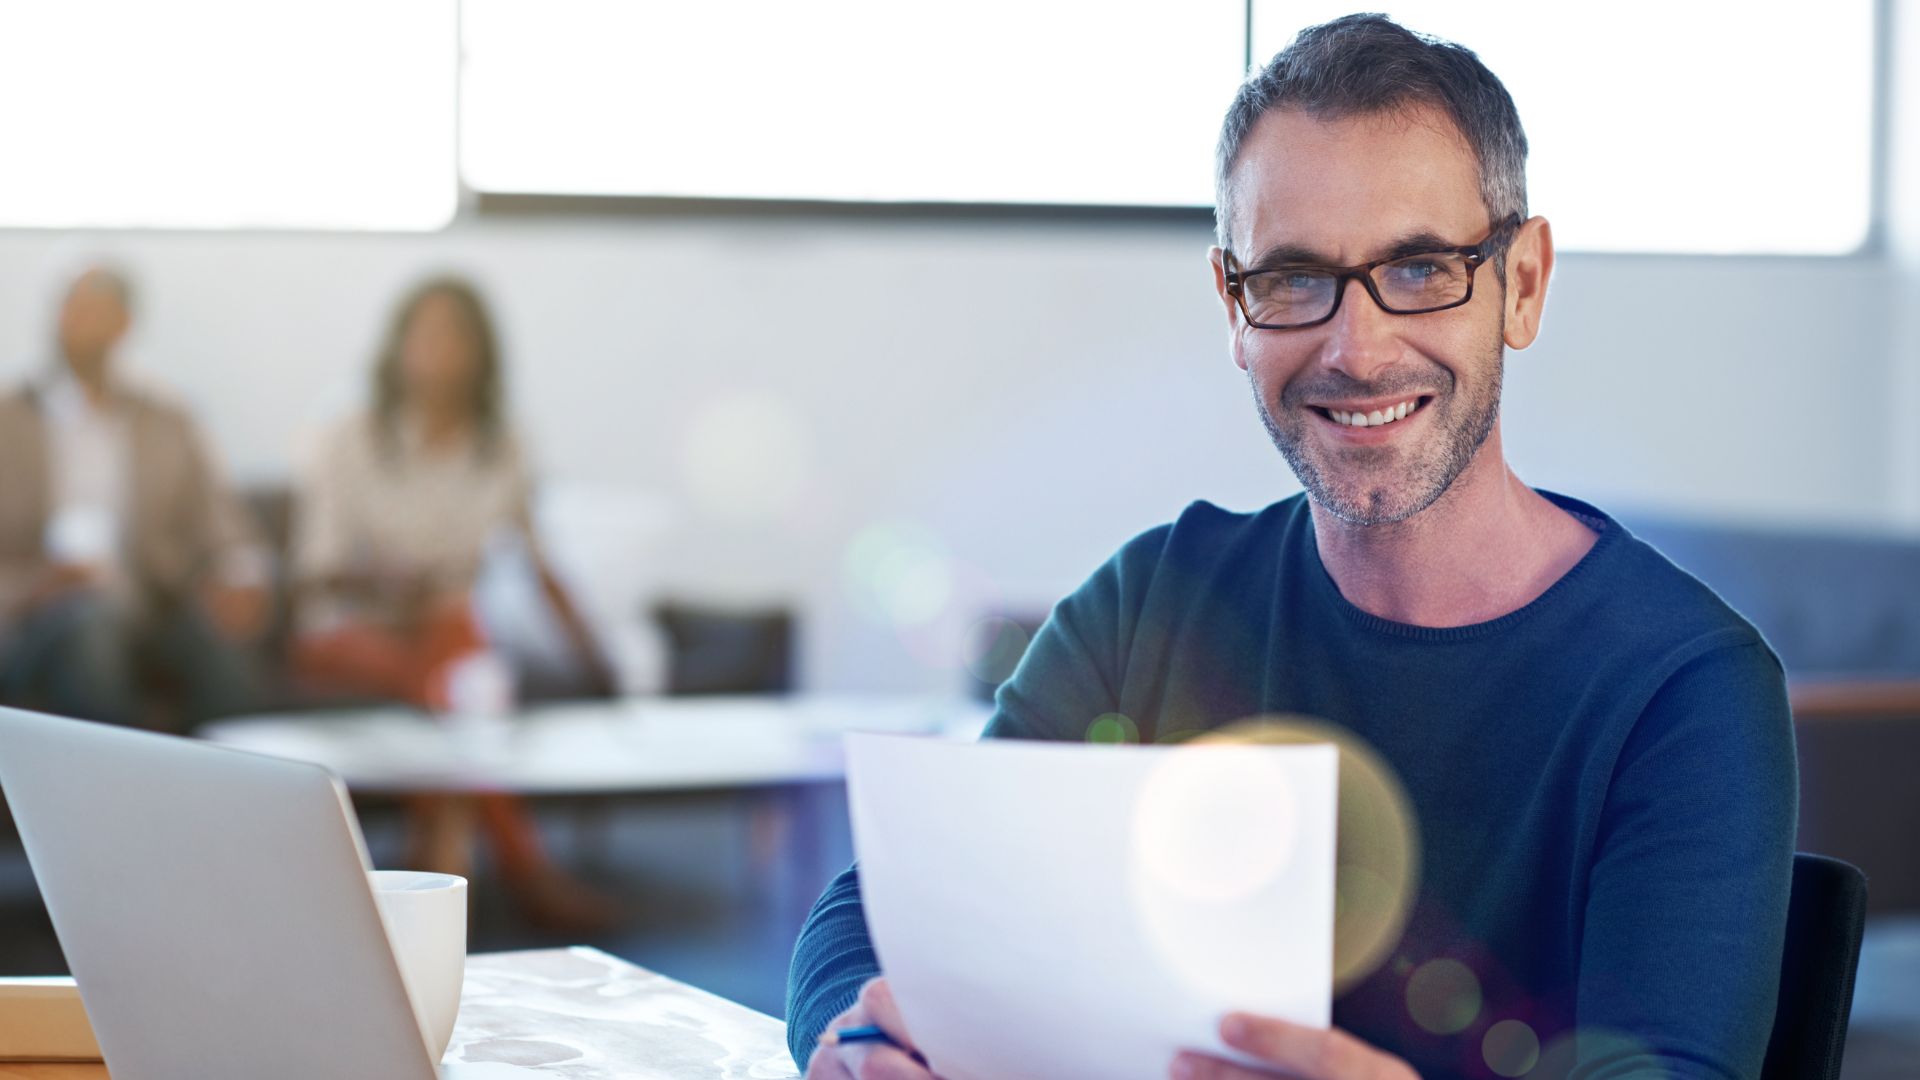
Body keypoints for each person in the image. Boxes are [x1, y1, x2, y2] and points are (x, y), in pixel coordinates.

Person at [787, 15, 1795, 1080]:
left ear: (1525, 284)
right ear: (1234, 305)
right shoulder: (1152, 605)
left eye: (1419, 268)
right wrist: (859, 1043)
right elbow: (891, 912)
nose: (1357, 349)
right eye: (1294, 279)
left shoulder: (1683, 691)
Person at [290, 274, 619, 929]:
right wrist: (388, 585)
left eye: (455, 335)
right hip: (350, 627)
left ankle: (431, 859)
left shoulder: (503, 444)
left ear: (481, 353)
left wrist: (595, 654)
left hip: (441, 628)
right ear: (399, 345)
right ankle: (520, 869)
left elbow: (535, 559)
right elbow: (314, 575)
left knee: (453, 647)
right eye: (426, 332)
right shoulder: (348, 434)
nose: (438, 349)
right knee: (456, 678)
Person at [0, 265, 266, 731]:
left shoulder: (165, 418)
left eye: (91, 311)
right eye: (69, 309)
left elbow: (218, 519)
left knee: (217, 647)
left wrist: (238, 569)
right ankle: (110, 796)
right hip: (37, 614)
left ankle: (232, 791)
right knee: (92, 628)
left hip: (151, 603)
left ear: (123, 324)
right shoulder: (10, 417)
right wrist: (38, 583)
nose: (73, 322)